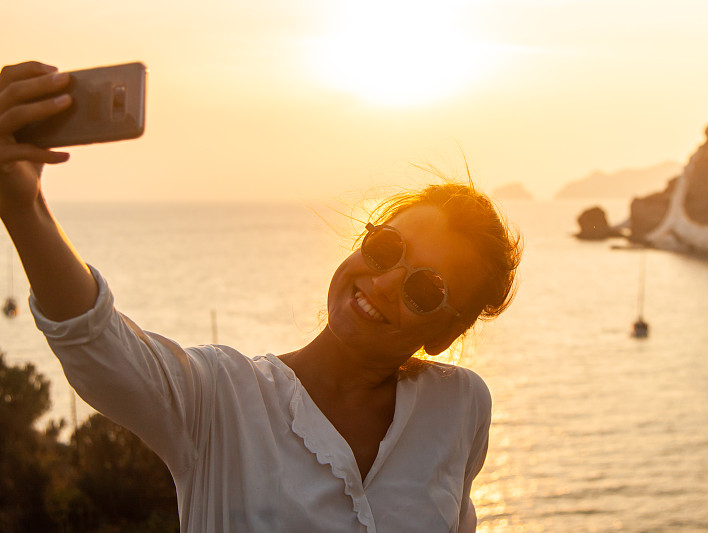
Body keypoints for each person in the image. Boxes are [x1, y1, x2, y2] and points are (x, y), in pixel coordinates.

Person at [0, 61, 522, 532]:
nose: (383, 282)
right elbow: (98, 344)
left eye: (425, 290)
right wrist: (26, 209)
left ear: (446, 333)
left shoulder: (460, 406)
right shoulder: (219, 401)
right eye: (386, 247)